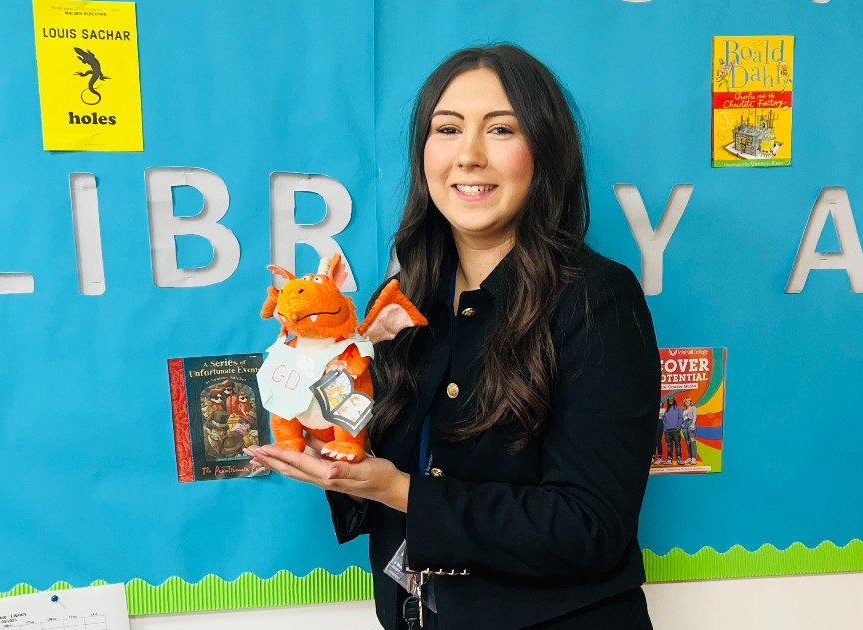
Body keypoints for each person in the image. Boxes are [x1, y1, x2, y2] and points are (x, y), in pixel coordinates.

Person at [246, 44, 660, 629]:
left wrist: (401, 492)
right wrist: (332, 452)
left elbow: (590, 526)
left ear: (545, 151)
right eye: (447, 129)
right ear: (423, 154)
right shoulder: (401, 300)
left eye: (500, 129)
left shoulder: (597, 297)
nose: (468, 156)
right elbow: (377, 459)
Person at [681, 396, 700, 465]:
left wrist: (693, 424)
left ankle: (693, 458)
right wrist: (682, 425)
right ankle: (689, 457)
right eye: (686, 401)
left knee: (692, 440)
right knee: (688, 442)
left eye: (688, 401)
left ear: (690, 402)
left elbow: (695, 416)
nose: (687, 402)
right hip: (685, 424)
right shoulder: (684, 410)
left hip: (690, 422)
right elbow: (683, 418)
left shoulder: (693, 408)